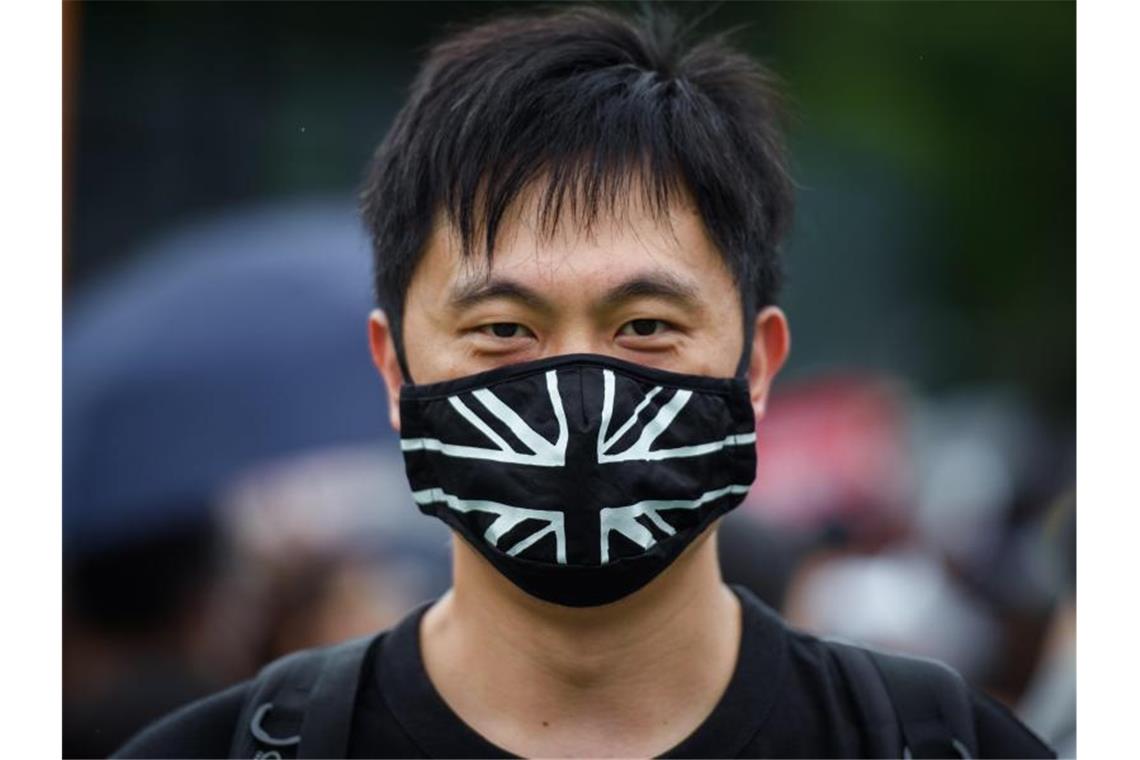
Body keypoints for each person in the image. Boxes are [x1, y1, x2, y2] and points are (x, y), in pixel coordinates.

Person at [116, 6, 1054, 758]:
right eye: (503, 330)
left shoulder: (940, 744)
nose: (577, 391)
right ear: (395, 368)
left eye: (645, 326)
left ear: (757, 364)